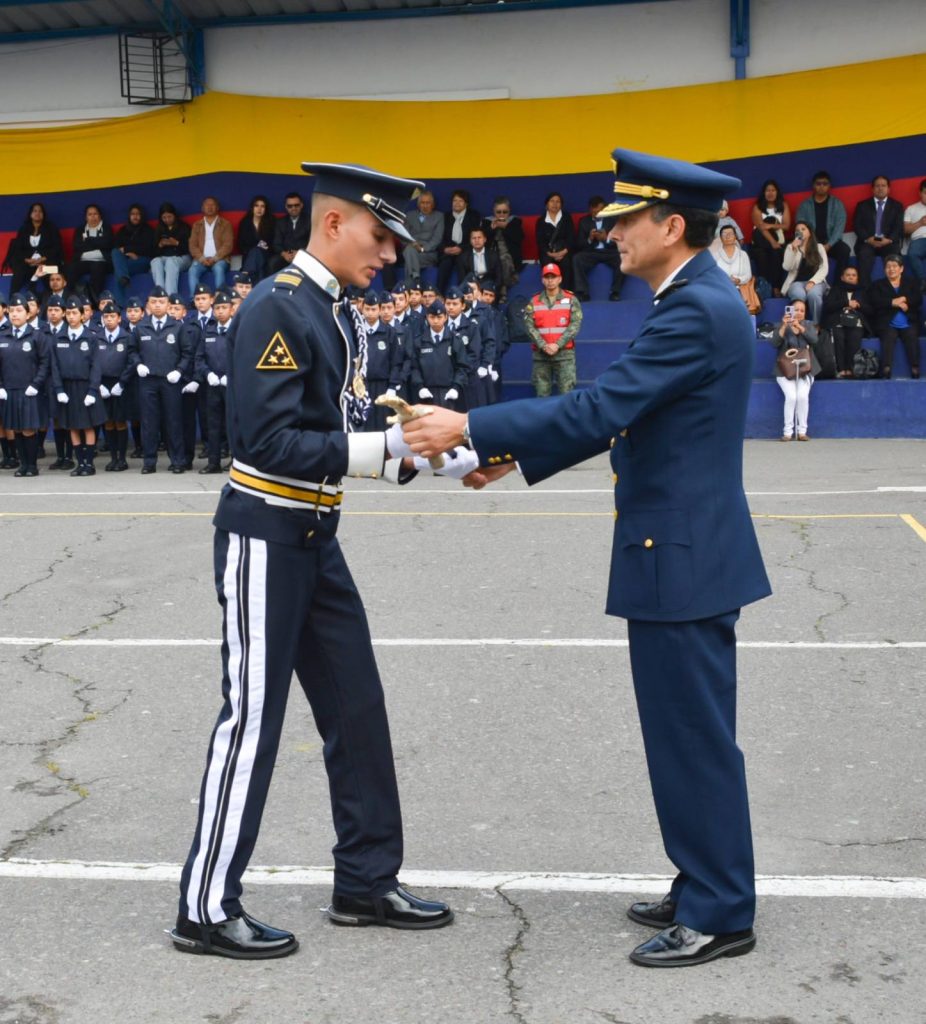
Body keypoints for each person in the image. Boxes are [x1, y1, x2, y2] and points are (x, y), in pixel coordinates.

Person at [403, 147, 772, 969]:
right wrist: (510, 457)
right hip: (677, 548)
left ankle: (720, 910)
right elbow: (627, 417)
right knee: (682, 730)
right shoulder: (696, 297)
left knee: (692, 734)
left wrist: (474, 427)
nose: (609, 234)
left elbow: (607, 402)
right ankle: (701, 879)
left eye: (624, 221)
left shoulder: (696, 307)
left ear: (672, 226)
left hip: (681, 553)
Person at [169, 161, 458, 962]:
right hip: (266, 535)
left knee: (357, 709)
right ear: (333, 225)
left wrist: (422, 452)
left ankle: (366, 881)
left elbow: (341, 422)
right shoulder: (277, 306)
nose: (390, 255)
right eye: (379, 236)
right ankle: (203, 904)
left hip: (312, 537)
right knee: (252, 720)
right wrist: (381, 450)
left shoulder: (333, 310)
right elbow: (266, 443)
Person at [134, 284, 191, 473]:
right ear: (148, 305)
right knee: (149, 423)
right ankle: (149, 462)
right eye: (154, 302)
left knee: (173, 422)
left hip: (170, 380)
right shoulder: (141, 326)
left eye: (161, 302)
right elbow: (132, 350)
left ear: (168, 304)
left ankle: (177, 461)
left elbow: (187, 353)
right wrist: (138, 364)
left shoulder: (177, 326)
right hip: (148, 381)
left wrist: (180, 371)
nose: (158, 305)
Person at [51, 295, 105, 475]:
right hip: (67, 388)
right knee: (72, 426)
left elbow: (96, 366)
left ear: (83, 315)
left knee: (88, 426)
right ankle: (80, 463)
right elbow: (55, 366)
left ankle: (89, 464)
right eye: (69, 313)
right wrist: (58, 389)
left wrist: (92, 390)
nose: (71, 316)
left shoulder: (91, 337)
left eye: (75, 313)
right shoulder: (59, 337)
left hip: (85, 387)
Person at [0, 293, 51, 477]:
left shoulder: (37, 336)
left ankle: (32, 465)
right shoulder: (2, 336)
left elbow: (46, 362)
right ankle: (23, 465)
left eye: (19, 310)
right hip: (9, 390)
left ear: (28, 314)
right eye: (12, 310)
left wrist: (36, 384)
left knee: (29, 428)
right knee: (16, 428)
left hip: (30, 390)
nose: (15, 314)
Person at [526, 263, 582, 397]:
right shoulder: (534, 301)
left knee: (566, 396)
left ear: (560, 279)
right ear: (542, 280)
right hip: (541, 355)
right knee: (541, 396)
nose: (550, 280)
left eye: (553, 277)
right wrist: (543, 345)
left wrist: (557, 344)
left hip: (564, 356)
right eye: (547, 277)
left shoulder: (571, 300)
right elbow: (529, 326)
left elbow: (575, 324)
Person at [864, 254, 922, 379]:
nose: (891, 269)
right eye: (888, 267)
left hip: (908, 321)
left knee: (911, 337)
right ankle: (886, 367)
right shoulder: (877, 285)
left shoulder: (911, 282)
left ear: (901, 269)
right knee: (888, 338)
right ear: (884, 270)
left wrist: (905, 300)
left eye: (894, 266)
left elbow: (918, 299)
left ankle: (915, 367)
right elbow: (874, 301)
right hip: (887, 322)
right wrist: (893, 302)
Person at [194, 290, 233, 473]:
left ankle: (236, 462)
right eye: (217, 308)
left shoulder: (238, 330)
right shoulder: (208, 330)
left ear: (232, 310)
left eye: (224, 307)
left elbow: (244, 357)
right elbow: (199, 358)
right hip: (212, 386)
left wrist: (231, 375)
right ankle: (213, 462)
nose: (220, 311)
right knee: (213, 426)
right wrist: (207, 373)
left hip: (232, 386)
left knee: (234, 425)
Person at [95, 301, 137, 470]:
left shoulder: (127, 337)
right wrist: (98, 384)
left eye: (113, 316)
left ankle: (122, 459)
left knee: (120, 422)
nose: (109, 319)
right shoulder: (96, 337)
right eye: (106, 316)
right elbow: (92, 362)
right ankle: (112, 458)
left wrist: (122, 383)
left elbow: (132, 361)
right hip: (103, 384)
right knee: (108, 422)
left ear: (119, 319)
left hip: (121, 384)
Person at [774, 298, 819, 440]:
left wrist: (800, 328)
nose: (799, 313)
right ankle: (787, 432)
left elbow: (814, 340)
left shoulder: (810, 325)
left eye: (802, 310)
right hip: (785, 369)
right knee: (791, 396)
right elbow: (775, 342)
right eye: (796, 310)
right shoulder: (781, 325)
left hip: (805, 368)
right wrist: (783, 326)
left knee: (802, 396)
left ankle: (802, 432)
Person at [795, 171, 851, 279]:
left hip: (831, 243)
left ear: (829, 186)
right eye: (818, 184)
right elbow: (800, 228)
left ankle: (839, 285)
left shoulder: (837, 204)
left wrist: (828, 245)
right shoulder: (804, 206)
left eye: (825, 184)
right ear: (813, 186)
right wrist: (812, 245)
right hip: (811, 243)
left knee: (844, 250)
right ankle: (808, 284)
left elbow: (839, 229)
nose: (821, 187)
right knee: (803, 253)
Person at [853, 175, 904, 288]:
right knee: (864, 255)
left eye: (883, 186)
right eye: (877, 186)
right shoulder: (862, 205)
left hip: (888, 243)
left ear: (888, 189)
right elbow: (857, 225)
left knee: (894, 254)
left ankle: (894, 288)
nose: (880, 188)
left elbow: (898, 226)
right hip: (868, 242)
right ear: (872, 189)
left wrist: (889, 240)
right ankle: (865, 291)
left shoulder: (897, 206)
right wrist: (868, 239)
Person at [3, 202, 64, 296]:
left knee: (51, 271)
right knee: (18, 272)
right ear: (30, 214)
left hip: (46, 262)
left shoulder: (51, 228)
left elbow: (57, 247)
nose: (37, 213)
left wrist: (43, 258)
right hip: (28, 263)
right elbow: (18, 249)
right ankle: (12, 300)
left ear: (43, 215)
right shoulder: (24, 229)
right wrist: (27, 260)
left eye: (40, 211)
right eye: (35, 211)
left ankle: (53, 299)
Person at [573, 196, 623, 301]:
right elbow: (579, 245)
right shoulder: (584, 221)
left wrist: (606, 239)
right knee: (577, 258)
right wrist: (590, 239)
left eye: (600, 210)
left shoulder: (613, 220)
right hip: (592, 253)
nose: (597, 212)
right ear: (590, 209)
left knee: (622, 258)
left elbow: (621, 241)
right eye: (594, 210)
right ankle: (583, 292)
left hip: (610, 252)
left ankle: (615, 291)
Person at [821, 266, 868, 378]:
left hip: (856, 322)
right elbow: (828, 306)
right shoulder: (835, 289)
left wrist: (858, 305)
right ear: (842, 277)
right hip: (838, 321)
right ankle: (841, 369)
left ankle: (851, 369)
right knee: (838, 336)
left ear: (857, 278)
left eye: (853, 275)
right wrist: (846, 303)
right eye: (848, 275)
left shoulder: (862, 291)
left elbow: (870, 309)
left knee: (855, 336)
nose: (851, 277)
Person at [391, 189, 443, 288]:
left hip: (428, 254)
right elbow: (403, 235)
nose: (425, 205)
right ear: (418, 204)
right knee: (410, 250)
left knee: (409, 256)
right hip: (410, 249)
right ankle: (415, 281)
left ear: (433, 204)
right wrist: (412, 244)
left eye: (428, 203)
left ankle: (412, 283)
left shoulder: (439, 216)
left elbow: (437, 239)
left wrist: (423, 248)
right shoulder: (409, 215)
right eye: (423, 203)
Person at [781, 220, 828, 324]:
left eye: (803, 229)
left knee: (814, 294)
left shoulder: (819, 247)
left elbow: (824, 268)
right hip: (797, 282)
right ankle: (797, 324)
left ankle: (816, 325)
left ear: (809, 232)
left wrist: (812, 282)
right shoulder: (791, 247)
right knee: (799, 294)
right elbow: (787, 267)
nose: (800, 231)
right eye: (797, 230)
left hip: (817, 282)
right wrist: (793, 249)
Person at [67, 204, 114, 305]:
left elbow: (107, 244)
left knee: (97, 267)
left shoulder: (106, 228)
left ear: (100, 215)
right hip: (83, 260)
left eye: (95, 214)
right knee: (72, 268)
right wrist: (97, 244)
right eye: (90, 214)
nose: (93, 217)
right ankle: (68, 298)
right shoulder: (79, 230)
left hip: (101, 261)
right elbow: (78, 246)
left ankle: (96, 301)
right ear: (86, 217)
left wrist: (88, 241)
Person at [437, 189, 482, 294]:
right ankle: (439, 294)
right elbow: (440, 237)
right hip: (448, 251)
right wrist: (445, 249)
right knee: (445, 263)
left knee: (461, 262)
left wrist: (462, 248)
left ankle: (463, 294)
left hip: (465, 250)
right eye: (454, 200)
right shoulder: (445, 216)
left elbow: (475, 237)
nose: (457, 203)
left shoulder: (473, 216)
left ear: (466, 203)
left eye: (460, 201)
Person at [750, 178, 790, 294]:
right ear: (764, 193)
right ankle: (766, 287)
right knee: (762, 255)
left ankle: (776, 287)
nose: (770, 193)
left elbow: (786, 226)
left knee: (776, 254)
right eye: (768, 190)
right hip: (760, 242)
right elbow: (761, 227)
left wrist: (770, 225)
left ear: (777, 192)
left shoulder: (783, 205)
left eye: (773, 190)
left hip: (778, 240)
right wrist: (772, 242)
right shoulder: (757, 207)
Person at [188, 196, 234, 296]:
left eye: (212, 205)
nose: (209, 207)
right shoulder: (197, 225)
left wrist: (215, 258)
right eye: (207, 205)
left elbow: (228, 245)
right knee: (192, 270)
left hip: (220, 259)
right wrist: (201, 258)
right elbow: (192, 245)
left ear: (217, 207)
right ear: (202, 208)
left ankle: (220, 298)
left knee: (218, 268)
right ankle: (194, 300)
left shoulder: (225, 224)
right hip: (201, 260)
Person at [111, 203, 156, 307]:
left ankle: (119, 305)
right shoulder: (123, 230)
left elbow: (150, 249)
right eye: (132, 214)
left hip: (142, 260)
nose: (135, 216)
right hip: (126, 261)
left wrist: (129, 250)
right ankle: (124, 277)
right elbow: (117, 248)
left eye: (138, 214)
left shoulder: (147, 230)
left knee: (117, 271)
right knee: (115, 252)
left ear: (142, 216)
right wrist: (128, 254)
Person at [481, 196, 524, 300]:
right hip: (492, 251)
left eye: (504, 212)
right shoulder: (487, 221)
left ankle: (502, 289)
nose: (501, 215)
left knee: (504, 259)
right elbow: (481, 239)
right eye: (498, 212)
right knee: (495, 260)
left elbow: (519, 238)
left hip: (509, 253)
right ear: (494, 212)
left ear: (509, 211)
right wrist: (492, 228)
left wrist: (506, 227)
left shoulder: (514, 221)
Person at [150, 203, 193, 297]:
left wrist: (176, 243)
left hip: (182, 257)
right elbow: (153, 252)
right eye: (164, 217)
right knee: (155, 261)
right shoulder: (159, 228)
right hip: (164, 257)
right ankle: (160, 295)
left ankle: (170, 297)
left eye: (169, 216)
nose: (167, 220)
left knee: (170, 262)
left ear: (174, 215)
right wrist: (160, 245)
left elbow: (191, 248)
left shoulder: (184, 227)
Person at [535, 191, 575, 289]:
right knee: (548, 264)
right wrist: (551, 254)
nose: (555, 204)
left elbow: (571, 237)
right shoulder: (541, 221)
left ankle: (566, 291)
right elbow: (540, 241)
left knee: (566, 263)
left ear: (561, 205)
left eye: (558, 201)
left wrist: (563, 252)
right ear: (547, 204)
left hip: (565, 251)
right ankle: (550, 291)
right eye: (552, 201)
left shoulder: (566, 218)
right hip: (548, 252)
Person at [236, 195, 276, 282]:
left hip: (267, 254)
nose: (259, 209)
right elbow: (241, 244)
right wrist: (256, 246)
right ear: (252, 208)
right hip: (249, 255)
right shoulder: (245, 223)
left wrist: (265, 246)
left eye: (262, 206)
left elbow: (274, 243)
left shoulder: (272, 222)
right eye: (256, 205)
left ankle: (245, 276)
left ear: (266, 209)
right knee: (256, 253)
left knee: (257, 253)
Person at [269, 191, 310, 273]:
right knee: (272, 263)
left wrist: (300, 252)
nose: (293, 208)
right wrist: (284, 254)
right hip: (286, 254)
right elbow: (276, 243)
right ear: (286, 207)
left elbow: (314, 242)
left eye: (296, 205)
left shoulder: (310, 220)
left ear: (301, 205)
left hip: (305, 254)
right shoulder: (280, 222)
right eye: (290, 206)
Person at [902, 178, 926, 284]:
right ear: (920, 193)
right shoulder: (911, 209)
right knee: (913, 253)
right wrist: (920, 223)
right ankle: (923, 281)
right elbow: (905, 230)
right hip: (920, 240)